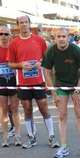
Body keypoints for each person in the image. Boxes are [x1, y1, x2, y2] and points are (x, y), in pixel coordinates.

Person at [7, 15, 59, 149]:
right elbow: (11, 64)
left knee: (44, 108)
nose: (24, 25)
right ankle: (31, 137)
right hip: (23, 82)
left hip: (38, 81)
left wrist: (41, 63)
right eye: (21, 23)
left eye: (26, 22)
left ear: (30, 24)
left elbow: (47, 59)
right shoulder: (14, 43)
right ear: (18, 25)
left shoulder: (39, 40)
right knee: (27, 110)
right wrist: (21, 65)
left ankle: (52, 136)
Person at [42, 28, 80, 158]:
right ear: (55, 38)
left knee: (79, 114)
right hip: (60, 85)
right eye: (59, 36)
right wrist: (54, 93)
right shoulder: (51, 51)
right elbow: (47, 73)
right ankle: (64, 147)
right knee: (62, 116)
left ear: (69, 37)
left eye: (64, 36)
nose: (61, 39)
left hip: (75, 84)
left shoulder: (76, 50)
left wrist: (78, 89)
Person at [0, 26, 22, 147]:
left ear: (10, 35)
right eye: (1, 34)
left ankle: (17, 135)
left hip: (13, 80)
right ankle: (5, 136)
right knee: (3, 109)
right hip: (0, 81)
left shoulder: (15, 47)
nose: (3, 36)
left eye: (6, 34)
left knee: (15, 108)